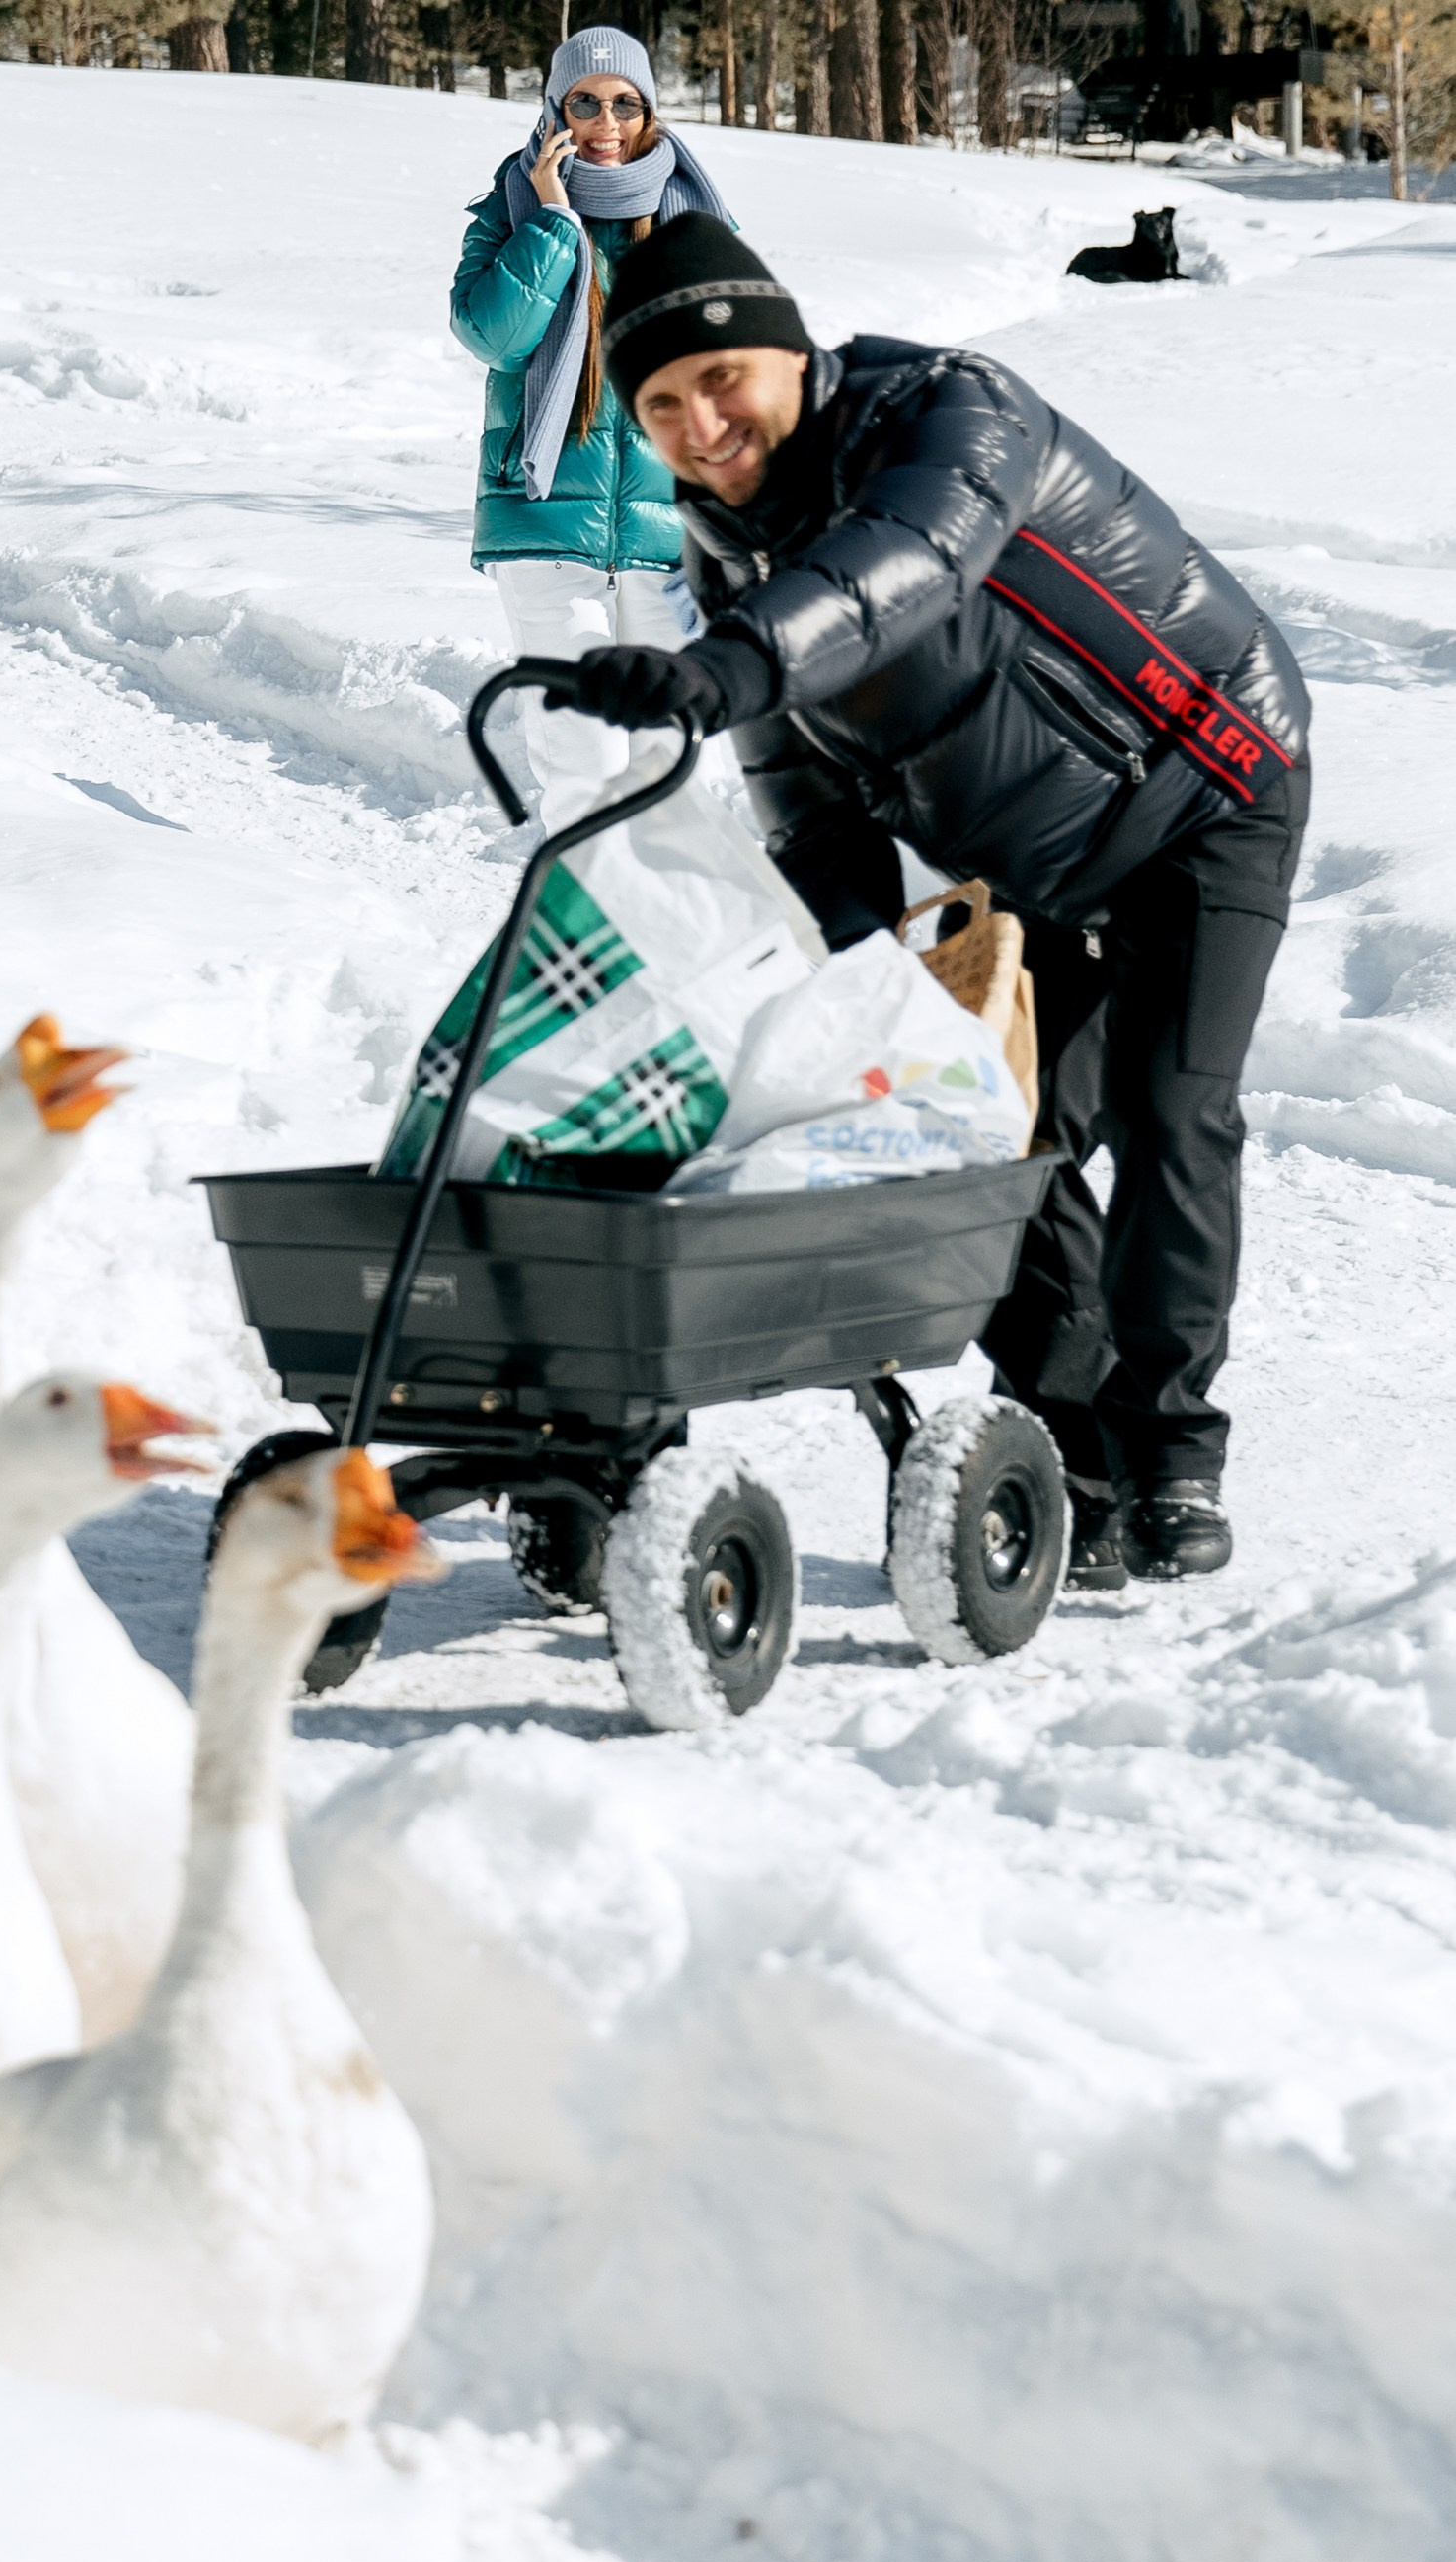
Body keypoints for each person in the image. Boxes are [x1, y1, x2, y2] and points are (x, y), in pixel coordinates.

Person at [548, 213, 1310, 1590]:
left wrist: (726, 665)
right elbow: (798, 785)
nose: (698, 420)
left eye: (720, 379)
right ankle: (1076, 1445)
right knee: (965, 1126)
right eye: (659, 406)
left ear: (788, 353)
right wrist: (855, 997)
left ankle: (1173, 1454)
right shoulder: (726, 547)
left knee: (1164, 1103)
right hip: (1028, 856)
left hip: (1204, 780)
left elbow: (904, 569)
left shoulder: (952, 412)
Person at [450, 27, 728, 826]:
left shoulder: (693, 219)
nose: (604, 122)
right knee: (585, 761)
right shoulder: (509, 213)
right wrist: (553, 223)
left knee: (669, 760)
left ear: (646, 112)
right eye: (583, 102)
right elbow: (494, 337)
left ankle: (670, 938)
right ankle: (591, 927)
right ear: (553, 109)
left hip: (666, 532)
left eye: (622, 103)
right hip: (542, 522)